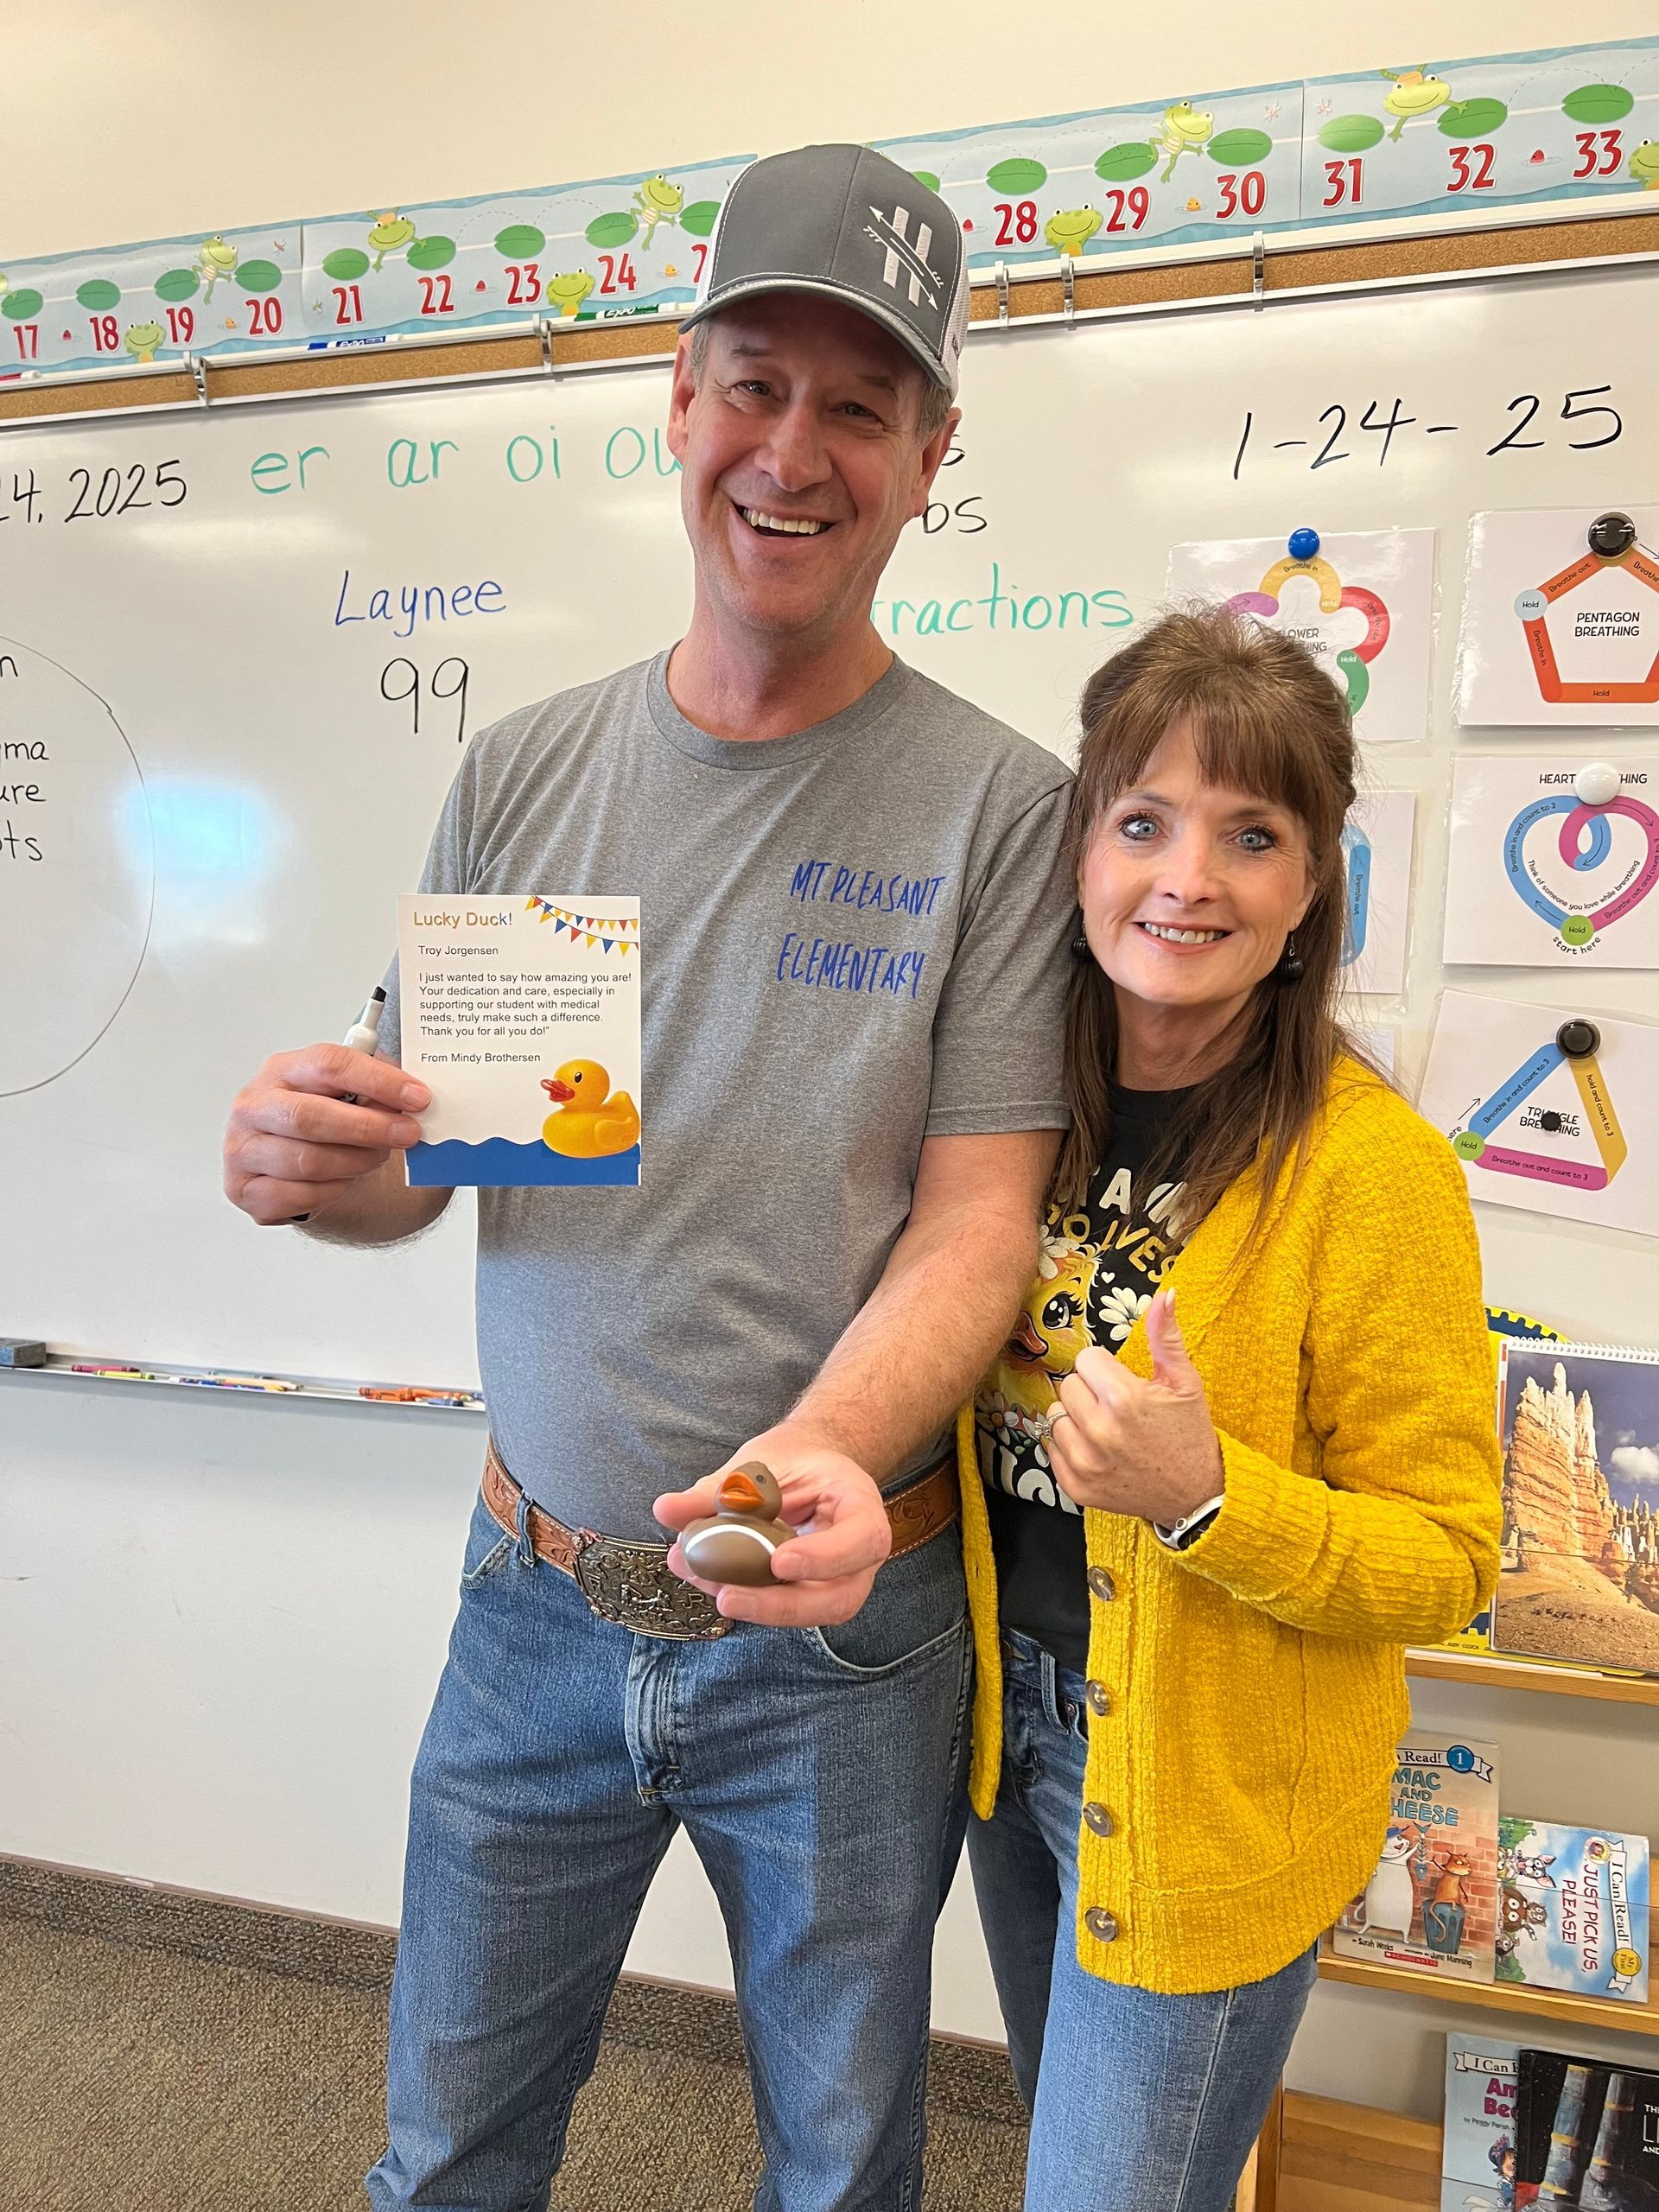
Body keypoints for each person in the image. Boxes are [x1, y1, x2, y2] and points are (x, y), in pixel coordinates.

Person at [222, 145, 1077, 2212]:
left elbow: (980, 1224)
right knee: (445, 2153)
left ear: (932, 453)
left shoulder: (1005, 808)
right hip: (527, 1603)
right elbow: (418, 1179)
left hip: (842, 1649)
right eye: (755, 386)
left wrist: (810, 1458)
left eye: (859, 407)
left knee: (847, 2164)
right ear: (676, 407)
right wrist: (303, 1161)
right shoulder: (520, 769)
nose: (795, 452)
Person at [962, 608, 1503, 2212]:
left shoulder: (1374, 1171)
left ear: (1313, 882)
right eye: (1143, 822)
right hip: (1011, 1737)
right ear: (1081, 850)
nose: (1186, 878)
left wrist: (1208, 1496)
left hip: (1213, 1791)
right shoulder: (1008, 1101)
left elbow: (1453, 1557)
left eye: (1250, 834)